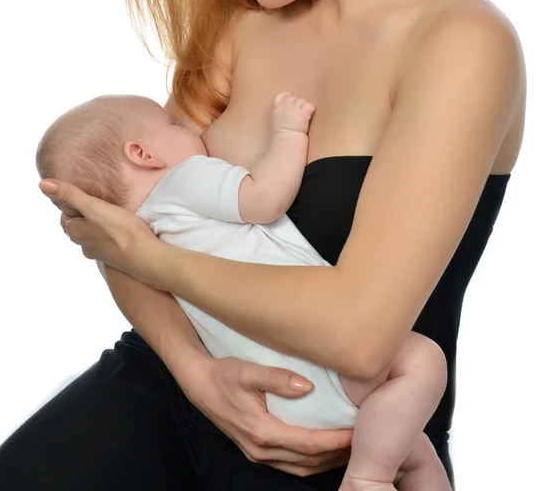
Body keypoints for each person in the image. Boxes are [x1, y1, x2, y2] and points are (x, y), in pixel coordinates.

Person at [0, 0, 525, 490]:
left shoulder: (461, 42)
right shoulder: (239, 22)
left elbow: (360, 336)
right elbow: (124, 222)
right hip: (169, 386)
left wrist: (153, 258)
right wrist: (197, 373)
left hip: (339, 439)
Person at [35, 92, 452, 489]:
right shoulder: (184, 179)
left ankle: (373, 473)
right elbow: (263, 197)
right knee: (421, 363)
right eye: (173, 123)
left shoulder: (141, 231)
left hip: (273, 398)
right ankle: (365, 481)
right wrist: (288, 134)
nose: (191, 130)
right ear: (143, 154)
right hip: (321, 364)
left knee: (410, 452)